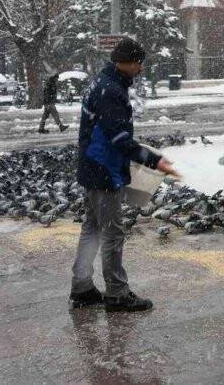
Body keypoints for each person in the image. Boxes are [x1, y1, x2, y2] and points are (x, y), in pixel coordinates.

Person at [70, 38, 179, 312]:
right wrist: (154, 161)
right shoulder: (111, 91)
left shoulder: (102, 83)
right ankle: (117, 293)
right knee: (112, 234)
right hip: (104, 169)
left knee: (92, 229)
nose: (140, 69)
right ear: (128, 62)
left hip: (92, 166)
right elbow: (118, 138)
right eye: (139, 63)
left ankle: (81, 287)